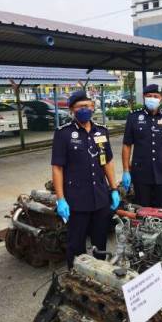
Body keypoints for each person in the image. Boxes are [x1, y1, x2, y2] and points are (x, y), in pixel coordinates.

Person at [51, 90, 120, 269]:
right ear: (72, 110)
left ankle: (100, 275)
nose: (86, 109)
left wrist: (113, 189)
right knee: (76, 245)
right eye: (81, 107)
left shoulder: (101, 131)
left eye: (89, 106)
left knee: (100, 242)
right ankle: (75, 277)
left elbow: (108, 162)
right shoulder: (63, 134)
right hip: (76, 199)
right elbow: (57, 168)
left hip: (100, 197)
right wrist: (61, 199)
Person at [121, 84, 162, 208]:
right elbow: (127, 145)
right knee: (142, 209)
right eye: (149, 96)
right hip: (141, 173)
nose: (152, 98)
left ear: (161, 98)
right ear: (144, 97)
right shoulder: (134, 117)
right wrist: (126, 170)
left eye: (155, 96)